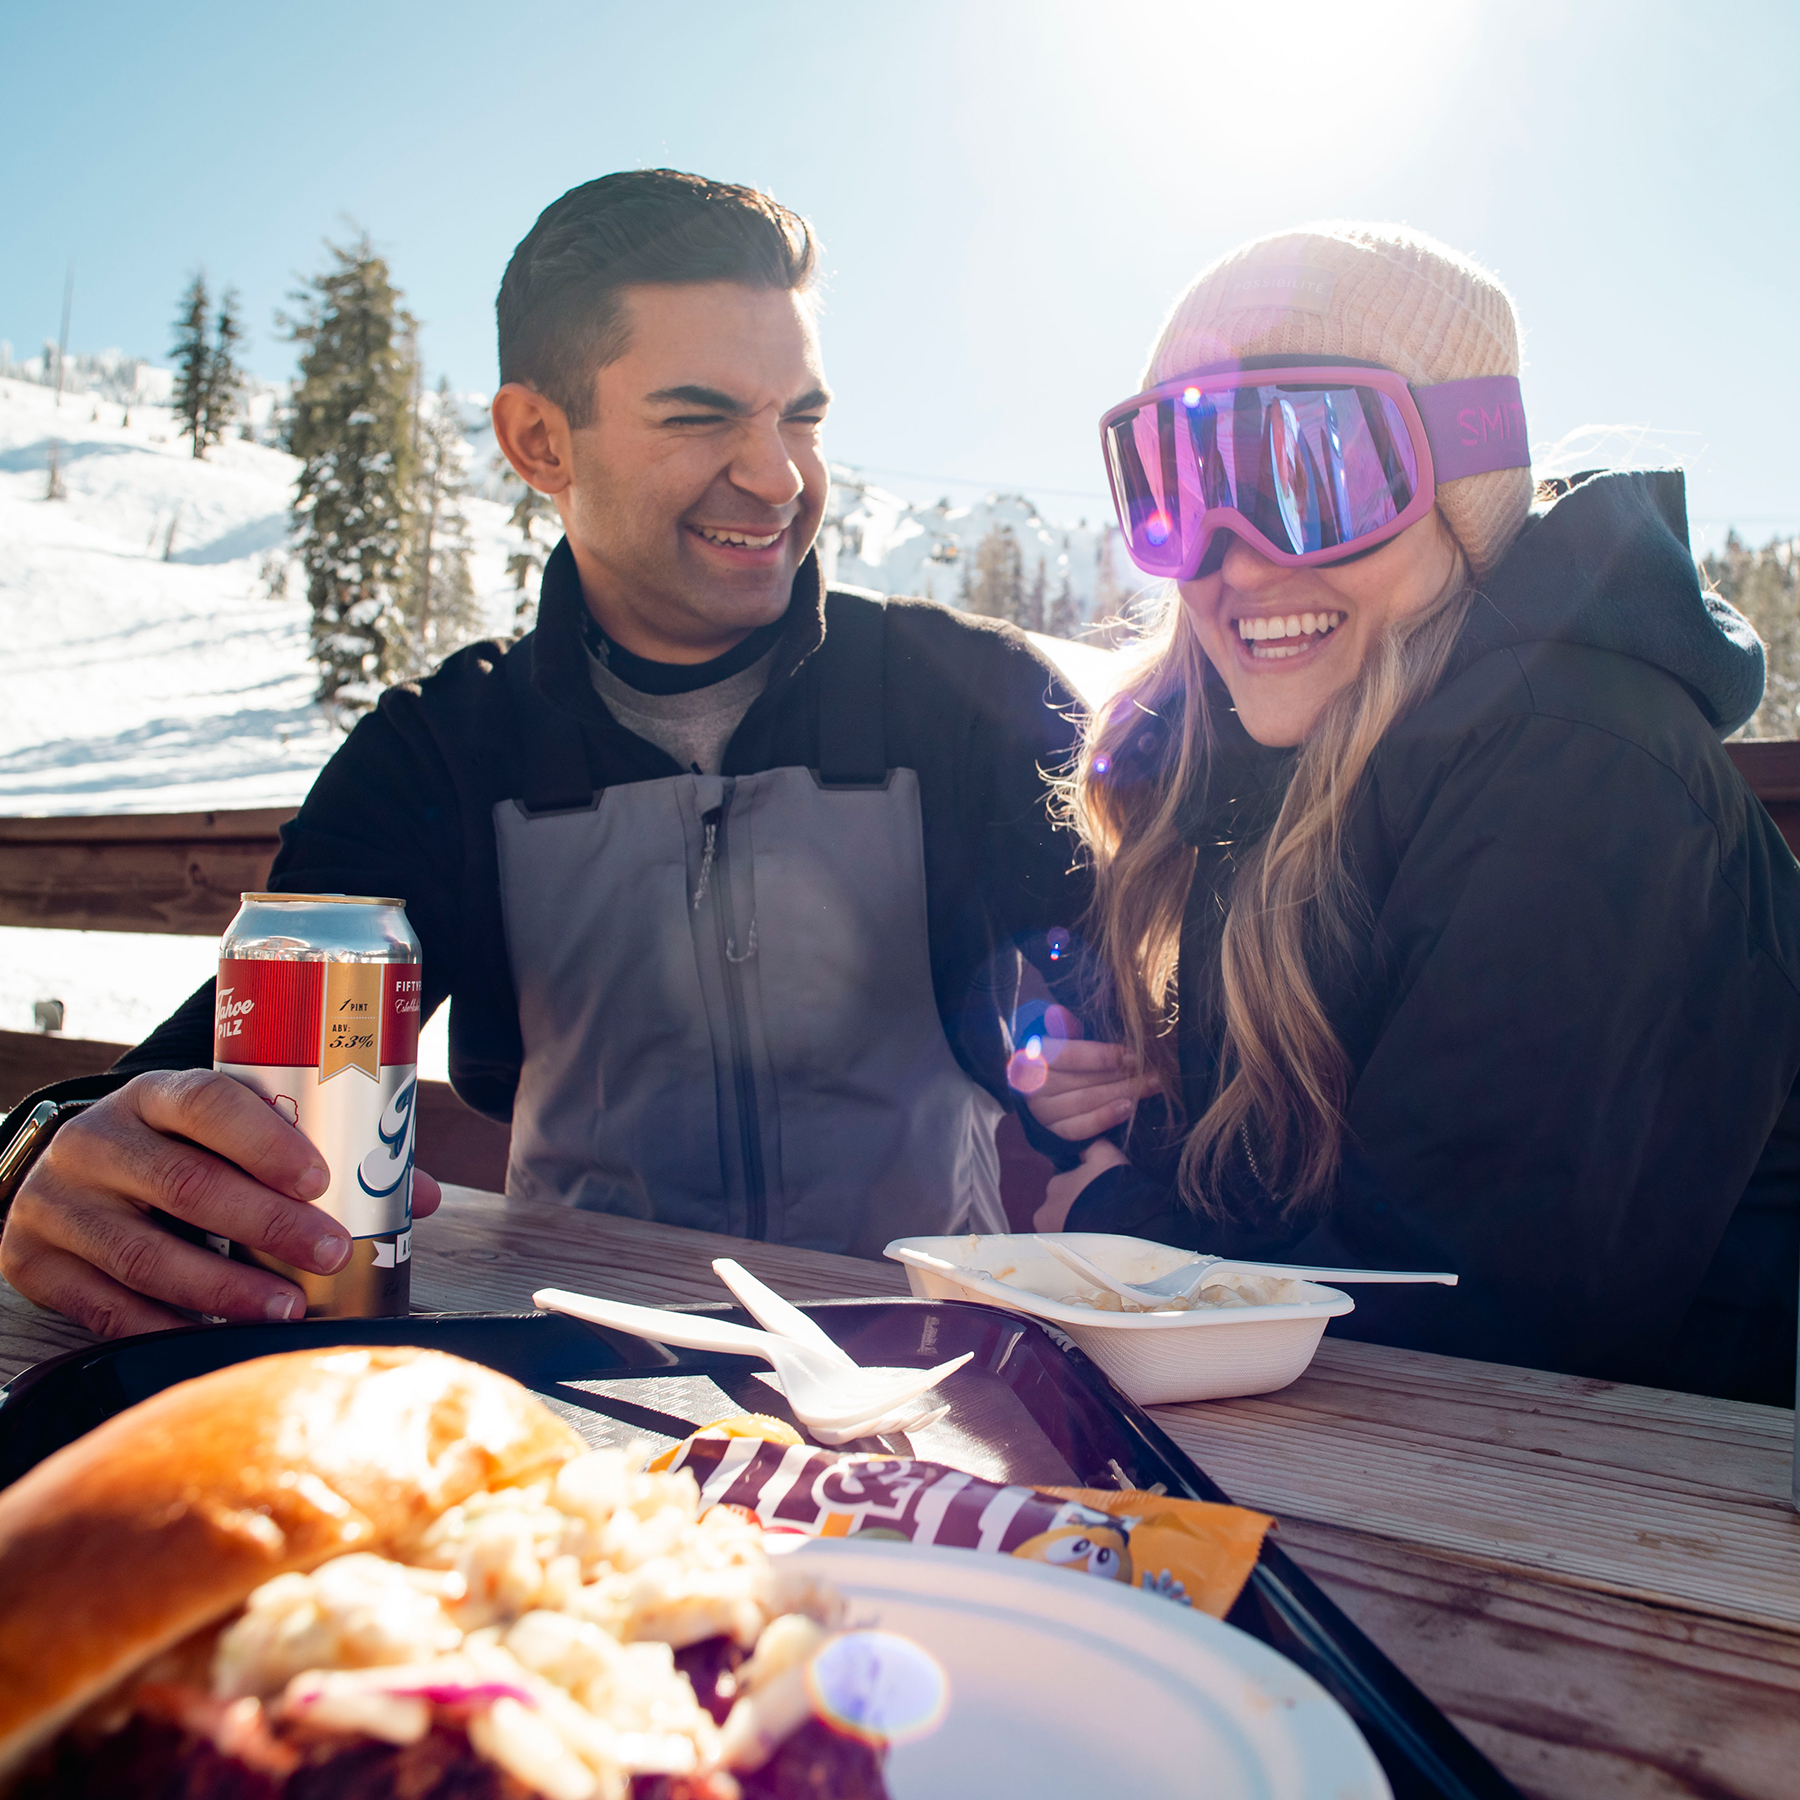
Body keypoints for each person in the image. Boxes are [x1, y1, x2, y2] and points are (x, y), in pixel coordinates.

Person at [0, 170, 1085, 1337]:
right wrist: (51, 1149)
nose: (777, 476)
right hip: (578, 1376)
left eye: (801, 417)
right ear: (538, 438)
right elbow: (196, 1082)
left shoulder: (970, 694)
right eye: (701, 415)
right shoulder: (445, 750)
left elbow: (1159, 1010)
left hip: (933, 1371)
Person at [1018, 223, 1800, 1405]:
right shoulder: (1287, 762)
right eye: (1180, 495)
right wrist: (1154, 1096)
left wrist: (1120, 1223)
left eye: (1316, 475)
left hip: (1664, 1516)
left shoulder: (1581, 767)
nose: (1240, 561)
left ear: (1463, 487)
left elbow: (1473, 1312)